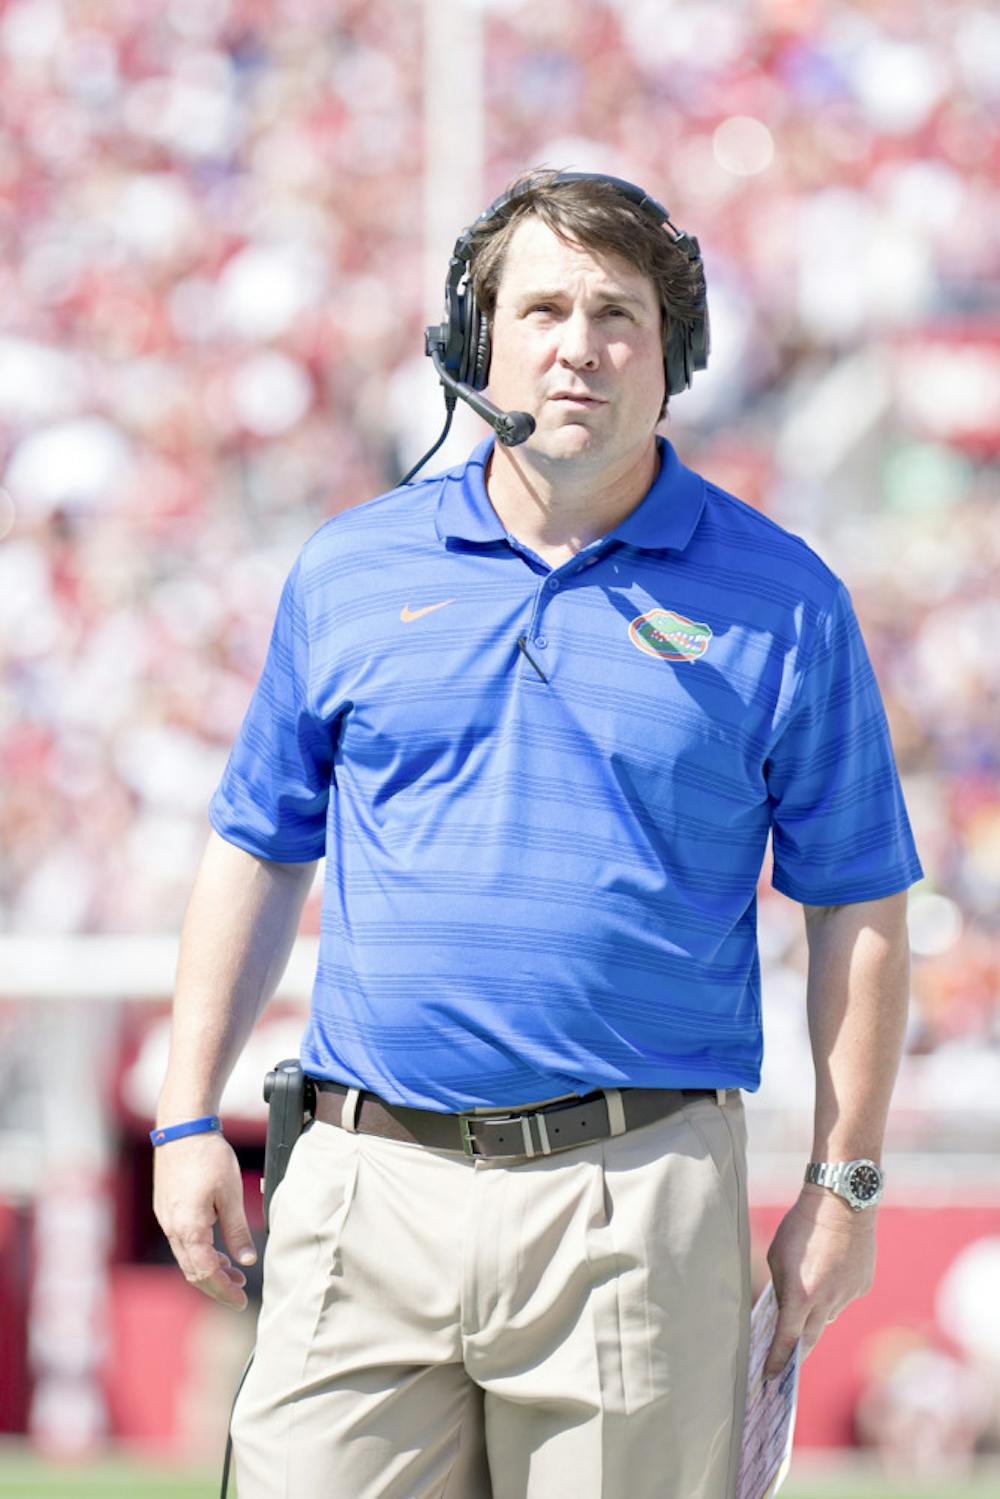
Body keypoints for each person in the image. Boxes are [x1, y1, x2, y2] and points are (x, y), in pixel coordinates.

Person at [152, 170, 922, 1499]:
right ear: (476, 340)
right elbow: (259, 846)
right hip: (362, 1189)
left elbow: (859, 900)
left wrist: (842, 1182)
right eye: (544, 307)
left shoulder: (785, 601)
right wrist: (181, 1119)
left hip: (635, 1202)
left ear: (674, 355)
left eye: (619, 313)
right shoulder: (350, 570)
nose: (579, 345)